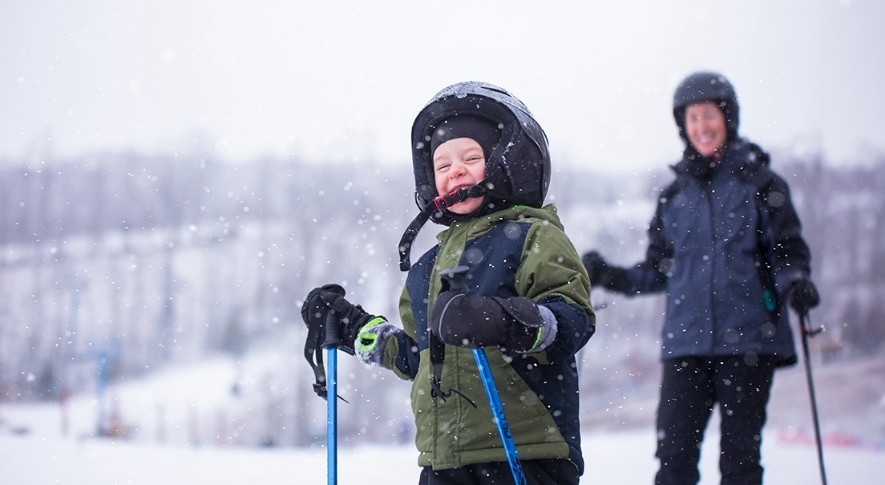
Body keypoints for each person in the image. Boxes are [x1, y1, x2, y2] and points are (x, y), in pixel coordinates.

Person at [302, 81, 595, 484]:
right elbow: (417, 357)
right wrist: (355, 328)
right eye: (442, 166)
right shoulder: (426, 268)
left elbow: (571, 320)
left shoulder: (533, 236)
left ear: (508, 163)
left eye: (471, 157)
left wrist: (504, 320)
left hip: (524, 454)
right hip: (443, 461)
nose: (455, 170)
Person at [582, 71, 821, 484]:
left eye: (709, 115)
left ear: (728, 118)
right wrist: (609, 275)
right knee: (673, 460)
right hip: (686, 345)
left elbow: (787, 249)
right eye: (692, 118)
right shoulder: (674, 196)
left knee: (740, 462)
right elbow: (657, 270)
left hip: (748, 341)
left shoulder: (761, 184)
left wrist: (796, 281)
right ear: (683, 126)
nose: (701, 127)